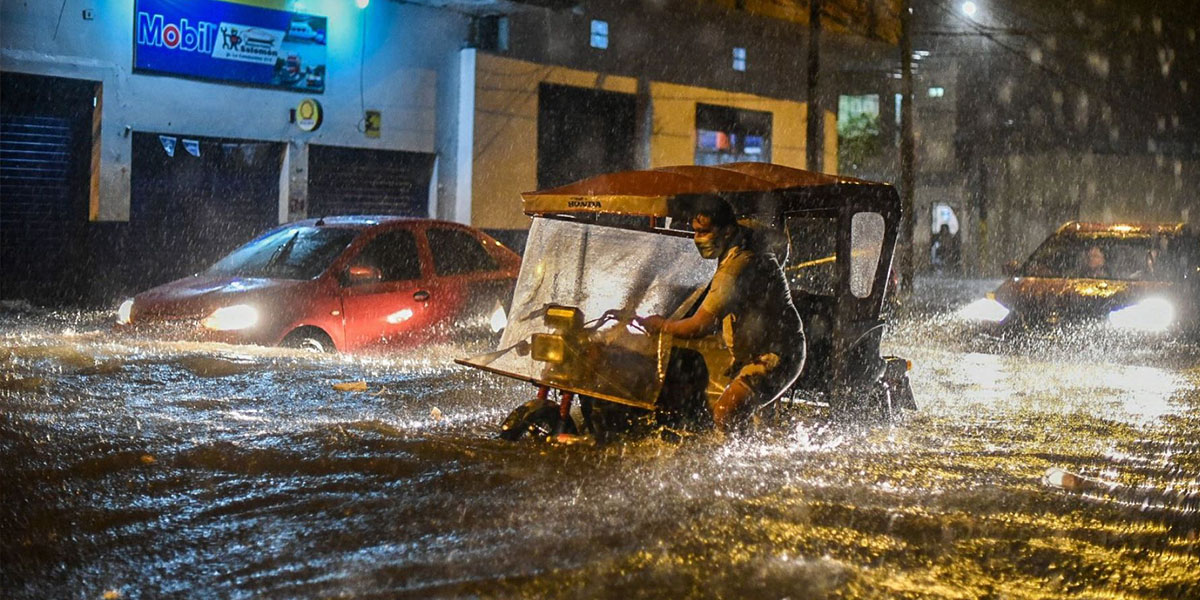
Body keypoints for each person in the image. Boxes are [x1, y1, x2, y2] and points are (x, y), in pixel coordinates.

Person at [636, 198, 805, 433]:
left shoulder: (737, 267)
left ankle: (742, 468)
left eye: (705, 232)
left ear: (726, 232)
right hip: (754, 349)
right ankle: (753, 456)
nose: (698, 238)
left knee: (726, 415)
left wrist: (661, 325)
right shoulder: (742, 235)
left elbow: (700, 326)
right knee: (746, 423)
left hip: (777, 354)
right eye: (695, 231)